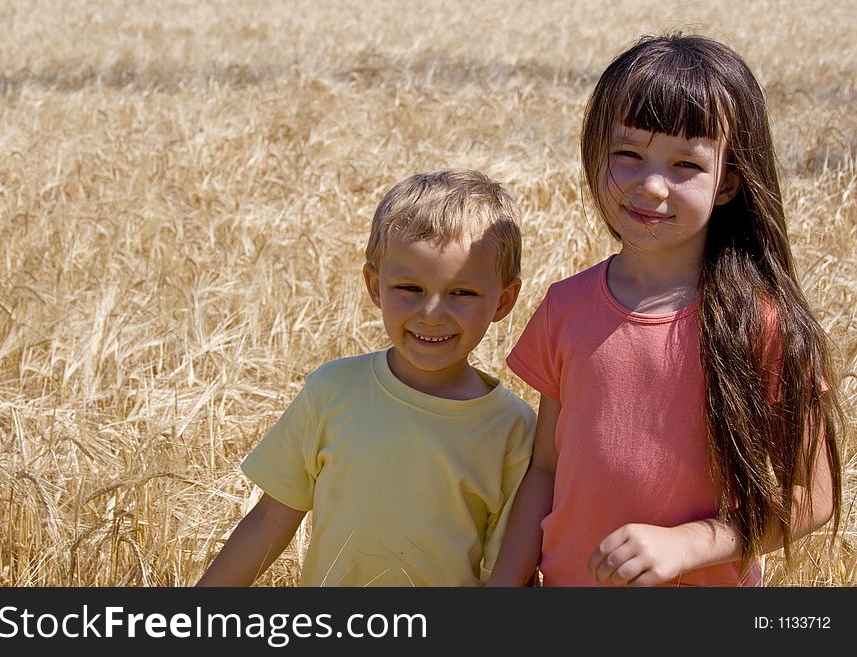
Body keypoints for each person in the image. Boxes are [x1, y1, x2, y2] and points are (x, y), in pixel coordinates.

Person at [487, 33, 843, 587]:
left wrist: (688, 545)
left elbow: (814, 496)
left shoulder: (760, 324)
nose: (651, 186)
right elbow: (548, 468)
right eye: (628, 154)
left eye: (685, 166)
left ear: (727, 182)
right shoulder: (566, 306)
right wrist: (503, 583)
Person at [197, 168, 536, 587]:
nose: (432, 314)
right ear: (375, 286)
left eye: (462, 293)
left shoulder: (514, 430)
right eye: (409, 288)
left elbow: (506, 572)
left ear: (504, 300)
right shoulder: (332, 391)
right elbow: (270, 519)